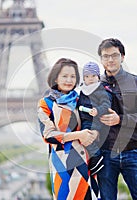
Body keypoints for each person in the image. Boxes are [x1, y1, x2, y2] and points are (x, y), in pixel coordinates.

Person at [96, 38, 137, 200]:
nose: (110, 59)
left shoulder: (136, 82)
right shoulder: (94, 85)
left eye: (114, 55)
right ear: (101, 59)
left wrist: (119, 119)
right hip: (105, 153)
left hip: (132, 151)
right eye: (106, 56)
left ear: (122, 57)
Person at [38, 58, 99, 200]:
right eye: (64, 76)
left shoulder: (81, 100)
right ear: (55, 78)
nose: (69, 80)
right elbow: (48, 135)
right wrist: (79, 135)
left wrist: (93, 133)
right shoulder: (46, 103)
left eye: (73, 76)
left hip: (86, 161)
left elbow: (94, 122)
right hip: (62, 163)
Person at [77, 61, 111, 176]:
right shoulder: (82, 91)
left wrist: (98, 110)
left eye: (93, 76)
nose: (90, 79)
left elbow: (106, 104)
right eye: (87, 76)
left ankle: (96, 155)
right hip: (84, 119)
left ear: (98, 77)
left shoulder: (100, 90)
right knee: (83, 137)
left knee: (87, 137)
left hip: (94, 120)